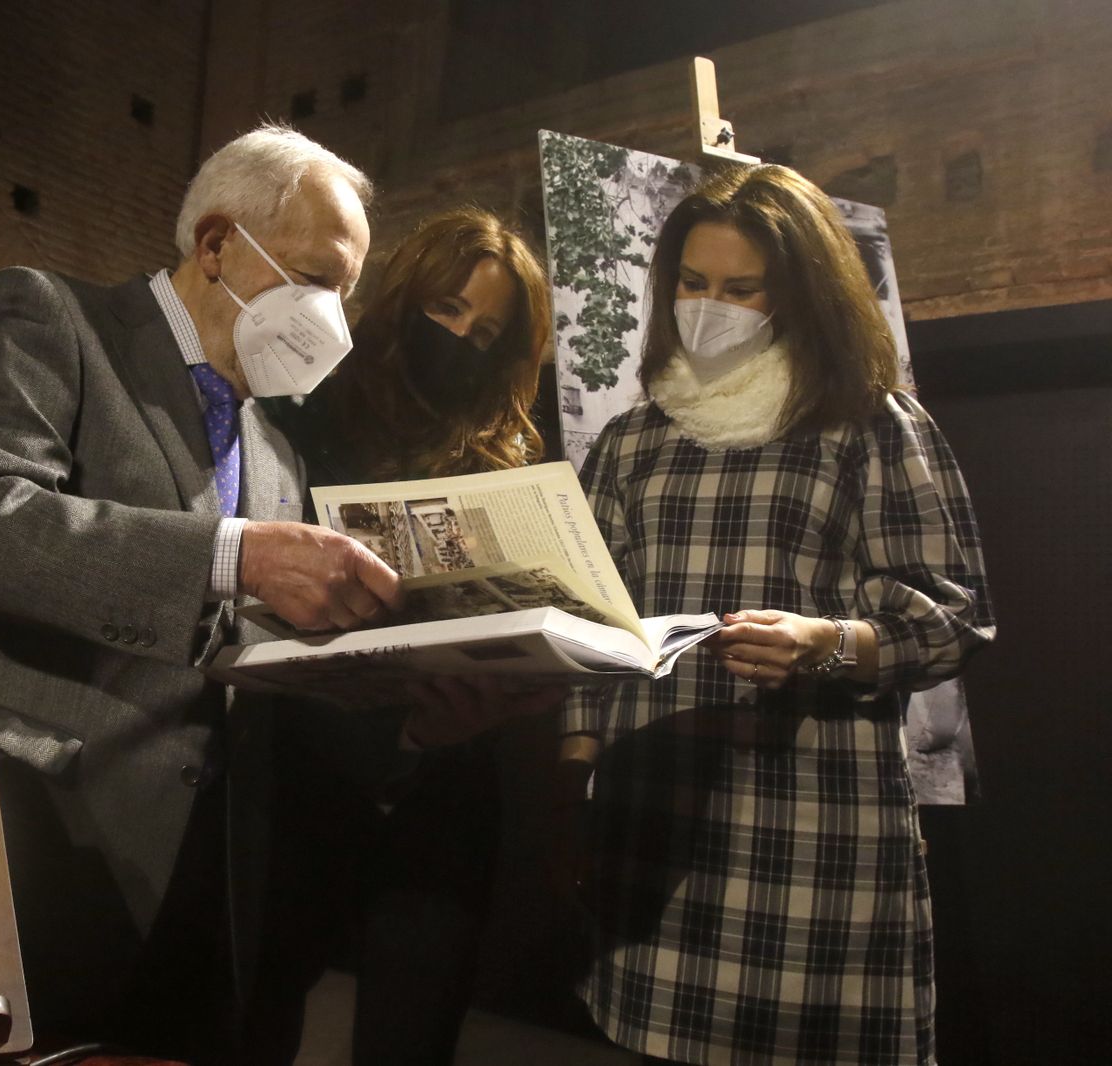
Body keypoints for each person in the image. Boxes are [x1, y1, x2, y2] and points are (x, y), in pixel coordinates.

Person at [0, 123, 406, 1063]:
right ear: (216, 244)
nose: (333, 320)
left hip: (213, 878)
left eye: (347, 294)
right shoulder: (51, 319)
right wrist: (236, 555)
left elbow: (243, 637)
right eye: (316, 279)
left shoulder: (277, 447)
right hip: (46, 837)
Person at [560, 164, 995, 1066]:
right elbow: (591, 614)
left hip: (810, 819)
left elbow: (953, 617)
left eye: (741, 288)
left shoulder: (869, 425)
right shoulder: (634, 439)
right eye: (692, 282)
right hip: (656, 809)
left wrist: (825, 644)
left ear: (798, 293)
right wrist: (577, 771)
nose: (709, 306)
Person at [254, 207, 566, 1066]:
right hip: (303, 784)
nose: (460, 339)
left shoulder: (503, 458)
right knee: (257, 1016)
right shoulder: (305, 418)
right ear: (404, 299)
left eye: (486, 331)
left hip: (443, 796)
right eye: (447, 309)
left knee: (412, 1034)